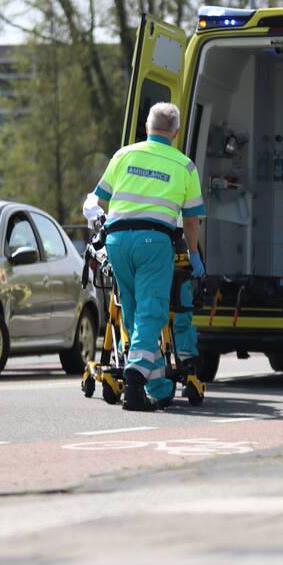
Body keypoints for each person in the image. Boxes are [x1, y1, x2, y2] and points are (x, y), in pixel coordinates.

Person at [88, 102, 205, 411]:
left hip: (116, 240)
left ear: (146, 128)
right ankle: (136, 378)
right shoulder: (184, 166)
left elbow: (99, 200)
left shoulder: (123, 155)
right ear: (176, 132)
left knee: (133, 313)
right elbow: (191, 221)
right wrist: (193, 254)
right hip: (154, 242)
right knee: (152, 313)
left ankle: (158, 386)